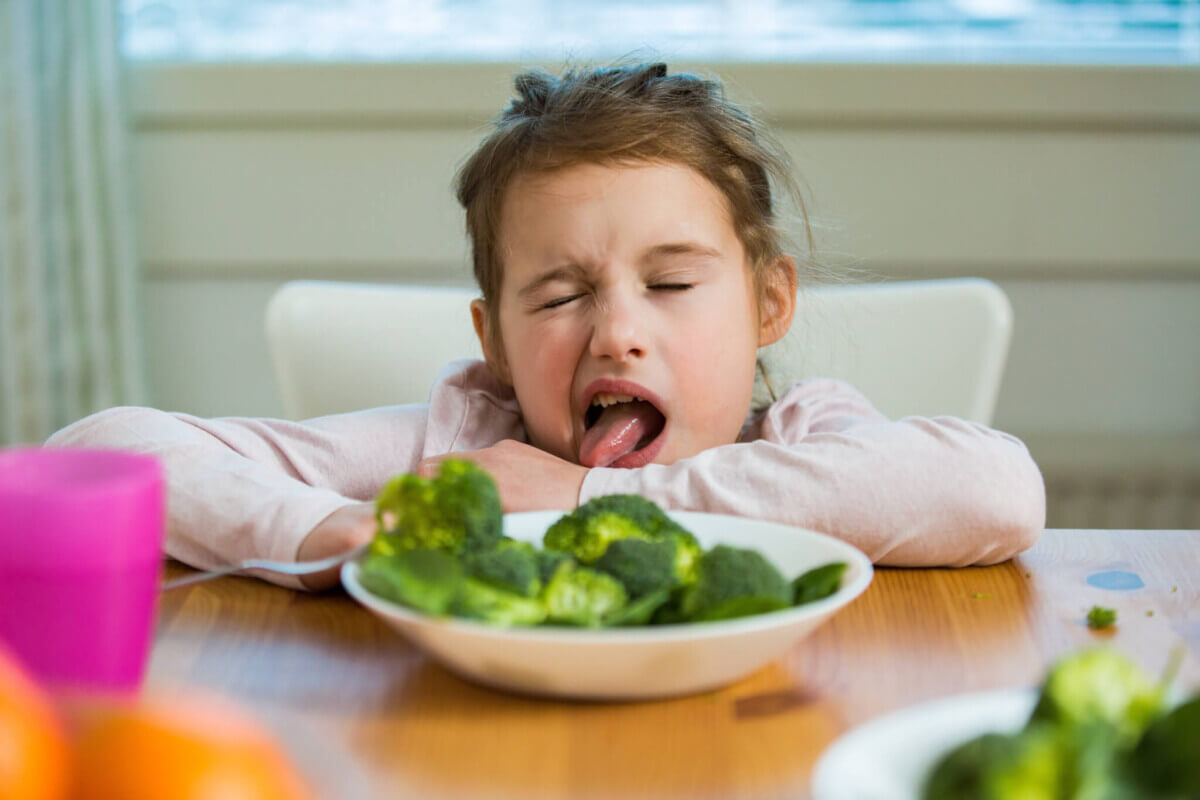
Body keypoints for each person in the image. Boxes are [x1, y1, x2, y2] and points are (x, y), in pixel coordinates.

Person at [47, 62, 1045, 590]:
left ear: (768, 304)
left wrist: (586, 496)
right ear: (496, 338)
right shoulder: (466, 446)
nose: (617, 331)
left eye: (671, 282)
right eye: (562, 295)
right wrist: (332, 528)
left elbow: (995, 487)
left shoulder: (804, 436)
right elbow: (98, 453)